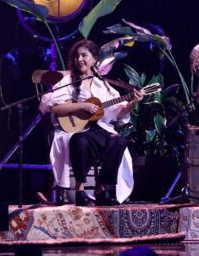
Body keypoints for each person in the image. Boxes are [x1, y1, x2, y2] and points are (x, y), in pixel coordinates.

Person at [39, 39, 143, 206]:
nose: (79, 59)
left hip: (98, 129)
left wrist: (132, 103)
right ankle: (79, 190)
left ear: (94, 59)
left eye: (84, 55)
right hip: (76, 131)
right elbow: (55, 108)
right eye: (76, 56)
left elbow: (117, 112)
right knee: (80, 141)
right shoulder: (68, 81)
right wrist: (82, 105)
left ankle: (101, 188)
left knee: (119, 141)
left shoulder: (104, 85)